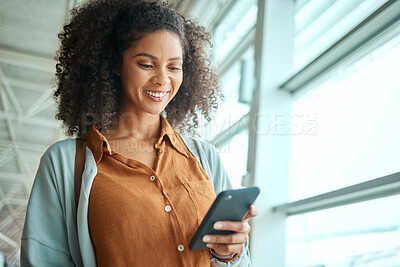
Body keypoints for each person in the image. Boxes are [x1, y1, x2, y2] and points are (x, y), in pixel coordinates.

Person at [20, 0, 258, 266]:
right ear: (115, 64)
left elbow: (238, 262)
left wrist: (228, 254)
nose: (162, 80)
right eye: (147, 64)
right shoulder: (64, 163)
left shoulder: (206, 158)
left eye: (174, 67)